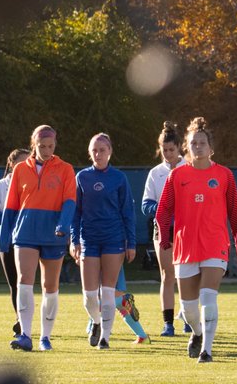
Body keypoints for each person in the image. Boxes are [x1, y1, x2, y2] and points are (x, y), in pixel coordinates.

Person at [155, 117, 237, 363]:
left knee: (208, 297)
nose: (198, 146)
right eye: (193, 143)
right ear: (187, 146)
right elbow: (163, 210)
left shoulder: (224, 175)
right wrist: (165, 236)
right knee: (188, 309)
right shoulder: (177, 175)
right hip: (185, 246)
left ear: (211, 147)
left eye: (202, 142)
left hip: (215, 244)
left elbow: (234, 214)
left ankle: (207, 350)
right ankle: (196, 333)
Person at [1, 125, 76, 352]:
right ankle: (25, 334)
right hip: (25, 234)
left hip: (53, 235)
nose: (46, 150)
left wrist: (64, 224)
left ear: (56, 144)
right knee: (23, 280)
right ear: (34, 144)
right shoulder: (21, 169)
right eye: (42, 146)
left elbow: (70, 200)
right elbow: (11, 204)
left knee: (50, 285)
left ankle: (45, 337)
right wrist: (4, 235)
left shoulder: (65, 169)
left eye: (51, 146)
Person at [71, 132, 137, 349]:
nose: (98, 154)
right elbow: (75, 212)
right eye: (94, 150)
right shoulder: (81, 177)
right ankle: (97, 322)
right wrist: (74, 240)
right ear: (90, 153)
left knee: (107, 292)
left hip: (114, 239)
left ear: (110, 152)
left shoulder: (119, 178)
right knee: (90, 296)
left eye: (102, 150)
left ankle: (105, 339)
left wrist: (131, 242)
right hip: (89, 240)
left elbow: (128, 211)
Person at [141, 121, 186, 336]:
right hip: (164, 229)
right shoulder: (156, 173)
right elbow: (145, 204)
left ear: (179, 148)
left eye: (171, 150)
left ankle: (188, 315)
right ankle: (168, 323)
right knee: (168, 274)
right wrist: (163, 207)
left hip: (187, 229)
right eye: (164, 150)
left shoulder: (190, 168)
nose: (168, 154)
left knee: (187, 274)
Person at [0, 147, 31, 338]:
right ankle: (20, 321)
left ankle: (32, 322)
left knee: (31, 284)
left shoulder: (33, 184)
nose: (27, 165)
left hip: (31, 240)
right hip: (8, 242)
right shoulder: (1, 186)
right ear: (12, 164)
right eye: (23, 161)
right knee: (15, 283)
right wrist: (14, 216)